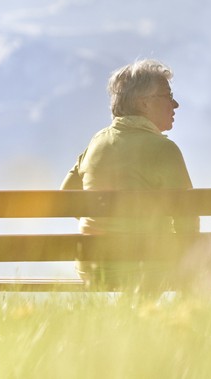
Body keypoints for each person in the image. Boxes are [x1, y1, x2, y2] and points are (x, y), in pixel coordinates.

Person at [61, 58, 198, 290]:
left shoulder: (97, 142)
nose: (175, 105)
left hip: (93, 267)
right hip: (147, 267)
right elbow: (188, 220)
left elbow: (66, 197)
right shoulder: (164, 149)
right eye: (168, 96)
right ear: (144, 104)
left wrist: (105, 224)